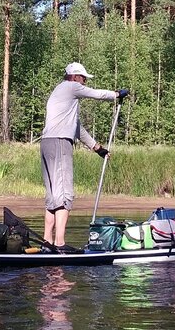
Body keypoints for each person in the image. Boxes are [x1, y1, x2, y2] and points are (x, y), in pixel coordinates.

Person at [40, 62, 128, 253]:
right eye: (83, 78)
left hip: (47, 142)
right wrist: (116, 95)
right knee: (64, 194)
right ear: (74, 77)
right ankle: (59, 244)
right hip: (60, 142)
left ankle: (47, 242)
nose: (85, 81)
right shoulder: (71, 86)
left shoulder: (61, 94)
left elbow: (77, 128)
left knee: (53, 196)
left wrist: (97, 148)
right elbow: (97, 94)